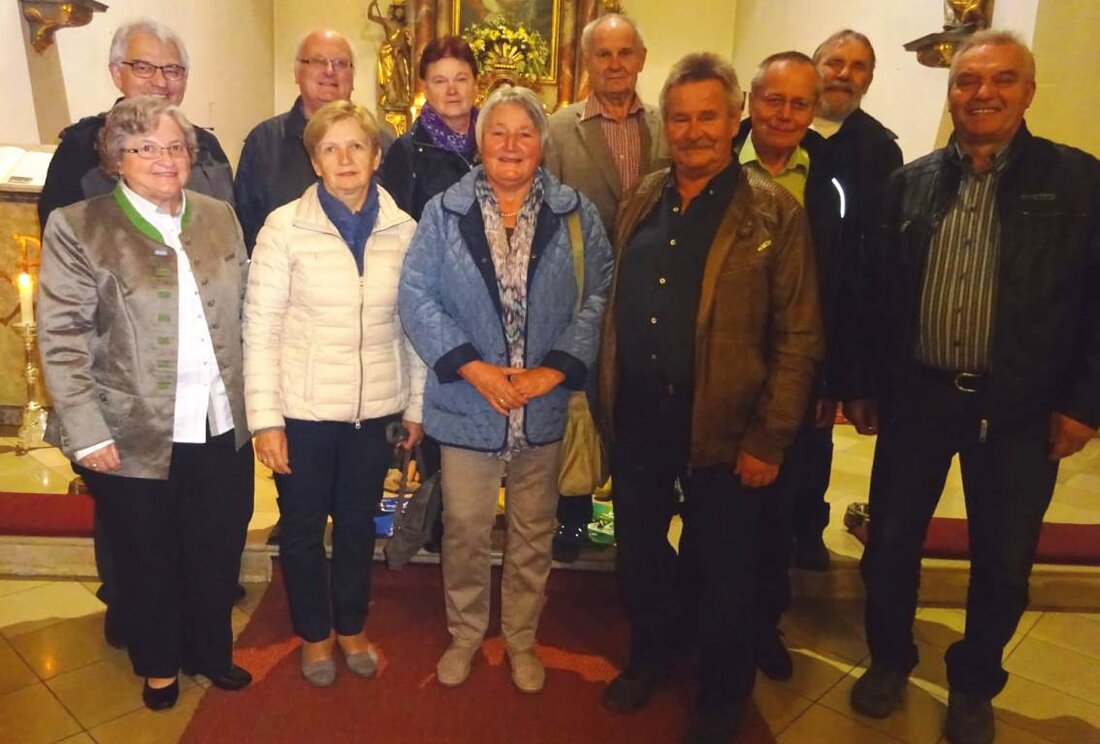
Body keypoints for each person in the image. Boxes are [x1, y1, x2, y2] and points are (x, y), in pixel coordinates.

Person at [846, 31, 1100, 744]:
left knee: (1005, 561)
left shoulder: (1080, 184)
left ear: (1029, 91)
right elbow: (872, 295)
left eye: (1002, 79)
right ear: (952, 91)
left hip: (1020, 404)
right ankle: (889, 660)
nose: (983, 93)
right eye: (967, 81)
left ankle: (974, 682)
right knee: (891, 543)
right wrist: (863, 382)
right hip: (917, 396)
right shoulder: (909, 184)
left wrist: (1085, 402)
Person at [595, 53, 822, 743]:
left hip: (727, 427)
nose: (694, 131)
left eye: (708, 117)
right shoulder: (643, 196)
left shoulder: (773, 210)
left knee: (727, 573)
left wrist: (770, 437)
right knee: (639, 555)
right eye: (681, 118)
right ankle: (652, 654)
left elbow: (799, 335)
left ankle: (724, 693)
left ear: (734, 119)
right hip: (641, 419)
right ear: (666, 124)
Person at [37, 96, 254, 711]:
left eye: (175, 146)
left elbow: (245, 314)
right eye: (146, 147)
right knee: (146, 555)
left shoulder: (218, 216)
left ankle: (209, 650)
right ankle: (159, 666)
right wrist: (87, 431)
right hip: (129, 431)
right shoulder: (80, 226)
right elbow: (62, 337)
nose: (165, 159)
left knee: (217, 545)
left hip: (220, 423)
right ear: (117, 156)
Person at [399, 85, 612, 694]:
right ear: (480, 141)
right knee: (465, 529)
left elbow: (599, 294)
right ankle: (466, 633)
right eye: (498, 132)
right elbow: (416, 297)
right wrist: (474, 368)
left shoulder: (576, 214)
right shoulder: (444, 212)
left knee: (532, 532)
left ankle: (521, 637)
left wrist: (554, 370)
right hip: (469, 401)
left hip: (543, 404)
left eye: (524, 133)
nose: (511, 145)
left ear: (541, 143)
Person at [243, 100, 425, 688]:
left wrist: (416, 406)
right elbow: (261, 328)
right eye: (330, 148)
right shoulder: (283, 228)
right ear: (315, 162)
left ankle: (350, 626)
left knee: (356, 525)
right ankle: (314, 633)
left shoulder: (404, 230)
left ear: (376, 156)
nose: (345, 159)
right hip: (304, 412)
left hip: (374, 412)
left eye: (356, 146)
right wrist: (266, 421)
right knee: (301, 529)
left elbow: (415, 327)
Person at [543, 12, 667, 562]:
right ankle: (572, 516)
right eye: (604, 54)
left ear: (641, 58)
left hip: (652, 294)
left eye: (625, 53)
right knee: (579, 405)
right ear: (587, 62)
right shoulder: (558, 129)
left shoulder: (665, 125)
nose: (615, 64)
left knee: (638, 407)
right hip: (580, 291)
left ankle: (640, 525)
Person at [732, 50, 832, 684]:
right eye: (774, 99)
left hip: (796, 370)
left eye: (799, 103)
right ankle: (705, 617)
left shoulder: (833, 175)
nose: (785, 114)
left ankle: (763, 624)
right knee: (714, 512)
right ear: (751, 101)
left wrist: (833, 379)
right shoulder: (714, 160)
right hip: (723, 372)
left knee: (777, 515)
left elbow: (848, 280)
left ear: (813, 109)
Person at [38, 19, 235, 231]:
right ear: (116, 74)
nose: (160, 82)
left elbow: (229, 229)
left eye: (172, 70)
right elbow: (60, 234)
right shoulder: (82, 148)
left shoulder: (207, 147)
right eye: (143, 68)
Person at [235, 29, 394, 254]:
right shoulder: (263, 143)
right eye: (318, 61)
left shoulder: (383, 145)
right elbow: (245, 231)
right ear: (297, 73)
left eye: (340, 63)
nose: (330, 71)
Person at [378, 34, 480, 221]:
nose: (452, 90)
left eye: (461, 79)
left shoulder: (496, 141)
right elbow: (397, 228)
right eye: (440, 81)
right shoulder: (406, 152)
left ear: (475, 84)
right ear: (425, 88)